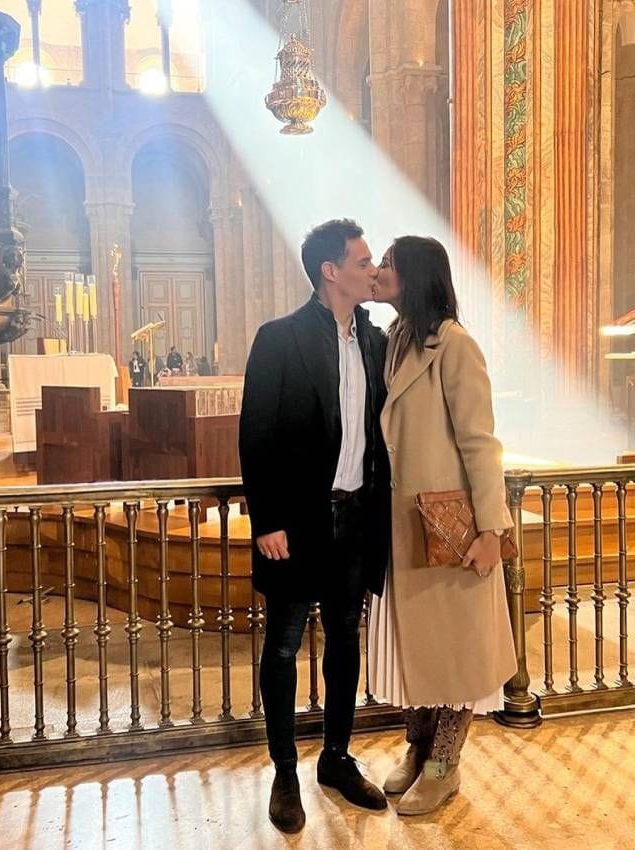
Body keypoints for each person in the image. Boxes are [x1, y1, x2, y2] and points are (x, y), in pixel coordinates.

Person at [239, 219, 391, 834]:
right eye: (362, 261)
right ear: (330, 271)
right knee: (282, 647)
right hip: (297, 522)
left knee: (345, 642)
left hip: (355, 517)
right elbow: (257, 433)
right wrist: (267, 519)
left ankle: (335, 757)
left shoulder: (375, 341)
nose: (371, 270)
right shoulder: (279, 337)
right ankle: (283, 770)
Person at [368, 236, 517, 815]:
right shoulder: (397, 339)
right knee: (418, 649)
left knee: (455, 655)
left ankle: (444, 766)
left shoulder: (454, 346)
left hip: (450, 529)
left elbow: (481, 444)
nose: (379, 272)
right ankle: (417, 747)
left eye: (388, 264)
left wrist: (490, 530)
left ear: (415, 276)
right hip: (405, 526)